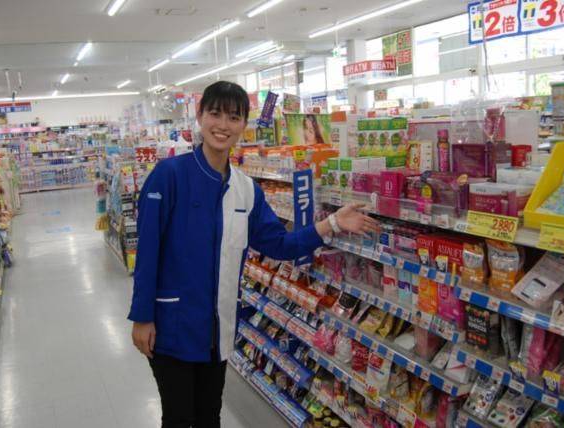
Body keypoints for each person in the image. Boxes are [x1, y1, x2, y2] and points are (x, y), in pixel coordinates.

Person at [129, 81, 380, 428]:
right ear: (200, 117)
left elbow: (280, 245)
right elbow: (148, 249)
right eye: (215, 114)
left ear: (243, 125)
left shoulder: (246, 190)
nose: (223, 125)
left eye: (233, 117)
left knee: (209, 417)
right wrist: (142, 317)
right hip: (172, 324)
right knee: (178, 417)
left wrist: (332, 223)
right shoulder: (169, 176)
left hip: (218, 328)